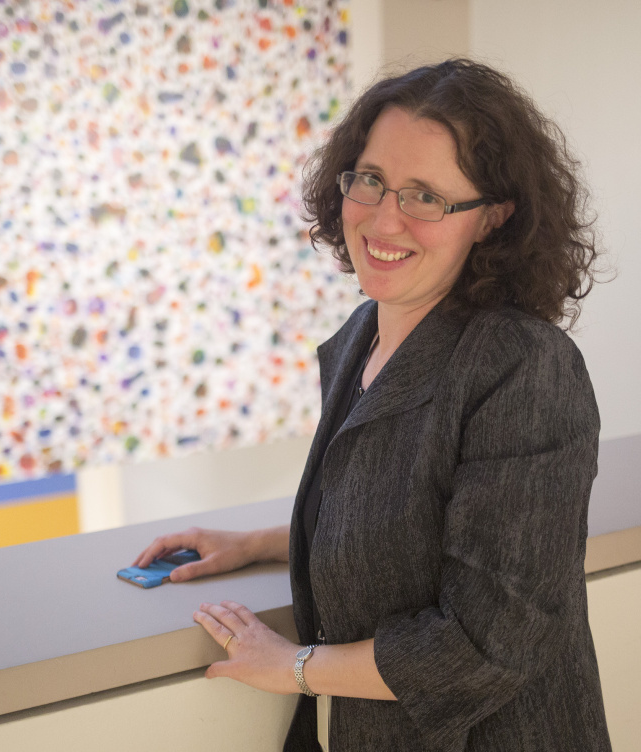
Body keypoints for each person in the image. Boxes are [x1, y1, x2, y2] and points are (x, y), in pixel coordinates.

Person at [133, 59, 611, 751]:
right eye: (372, 181)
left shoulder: (525, 368)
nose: (385, 218)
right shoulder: (364, 333)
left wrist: (292, 667)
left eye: (425, 196)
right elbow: (408, 521)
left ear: (492, 219)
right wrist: (265, 543)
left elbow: (482, 643)